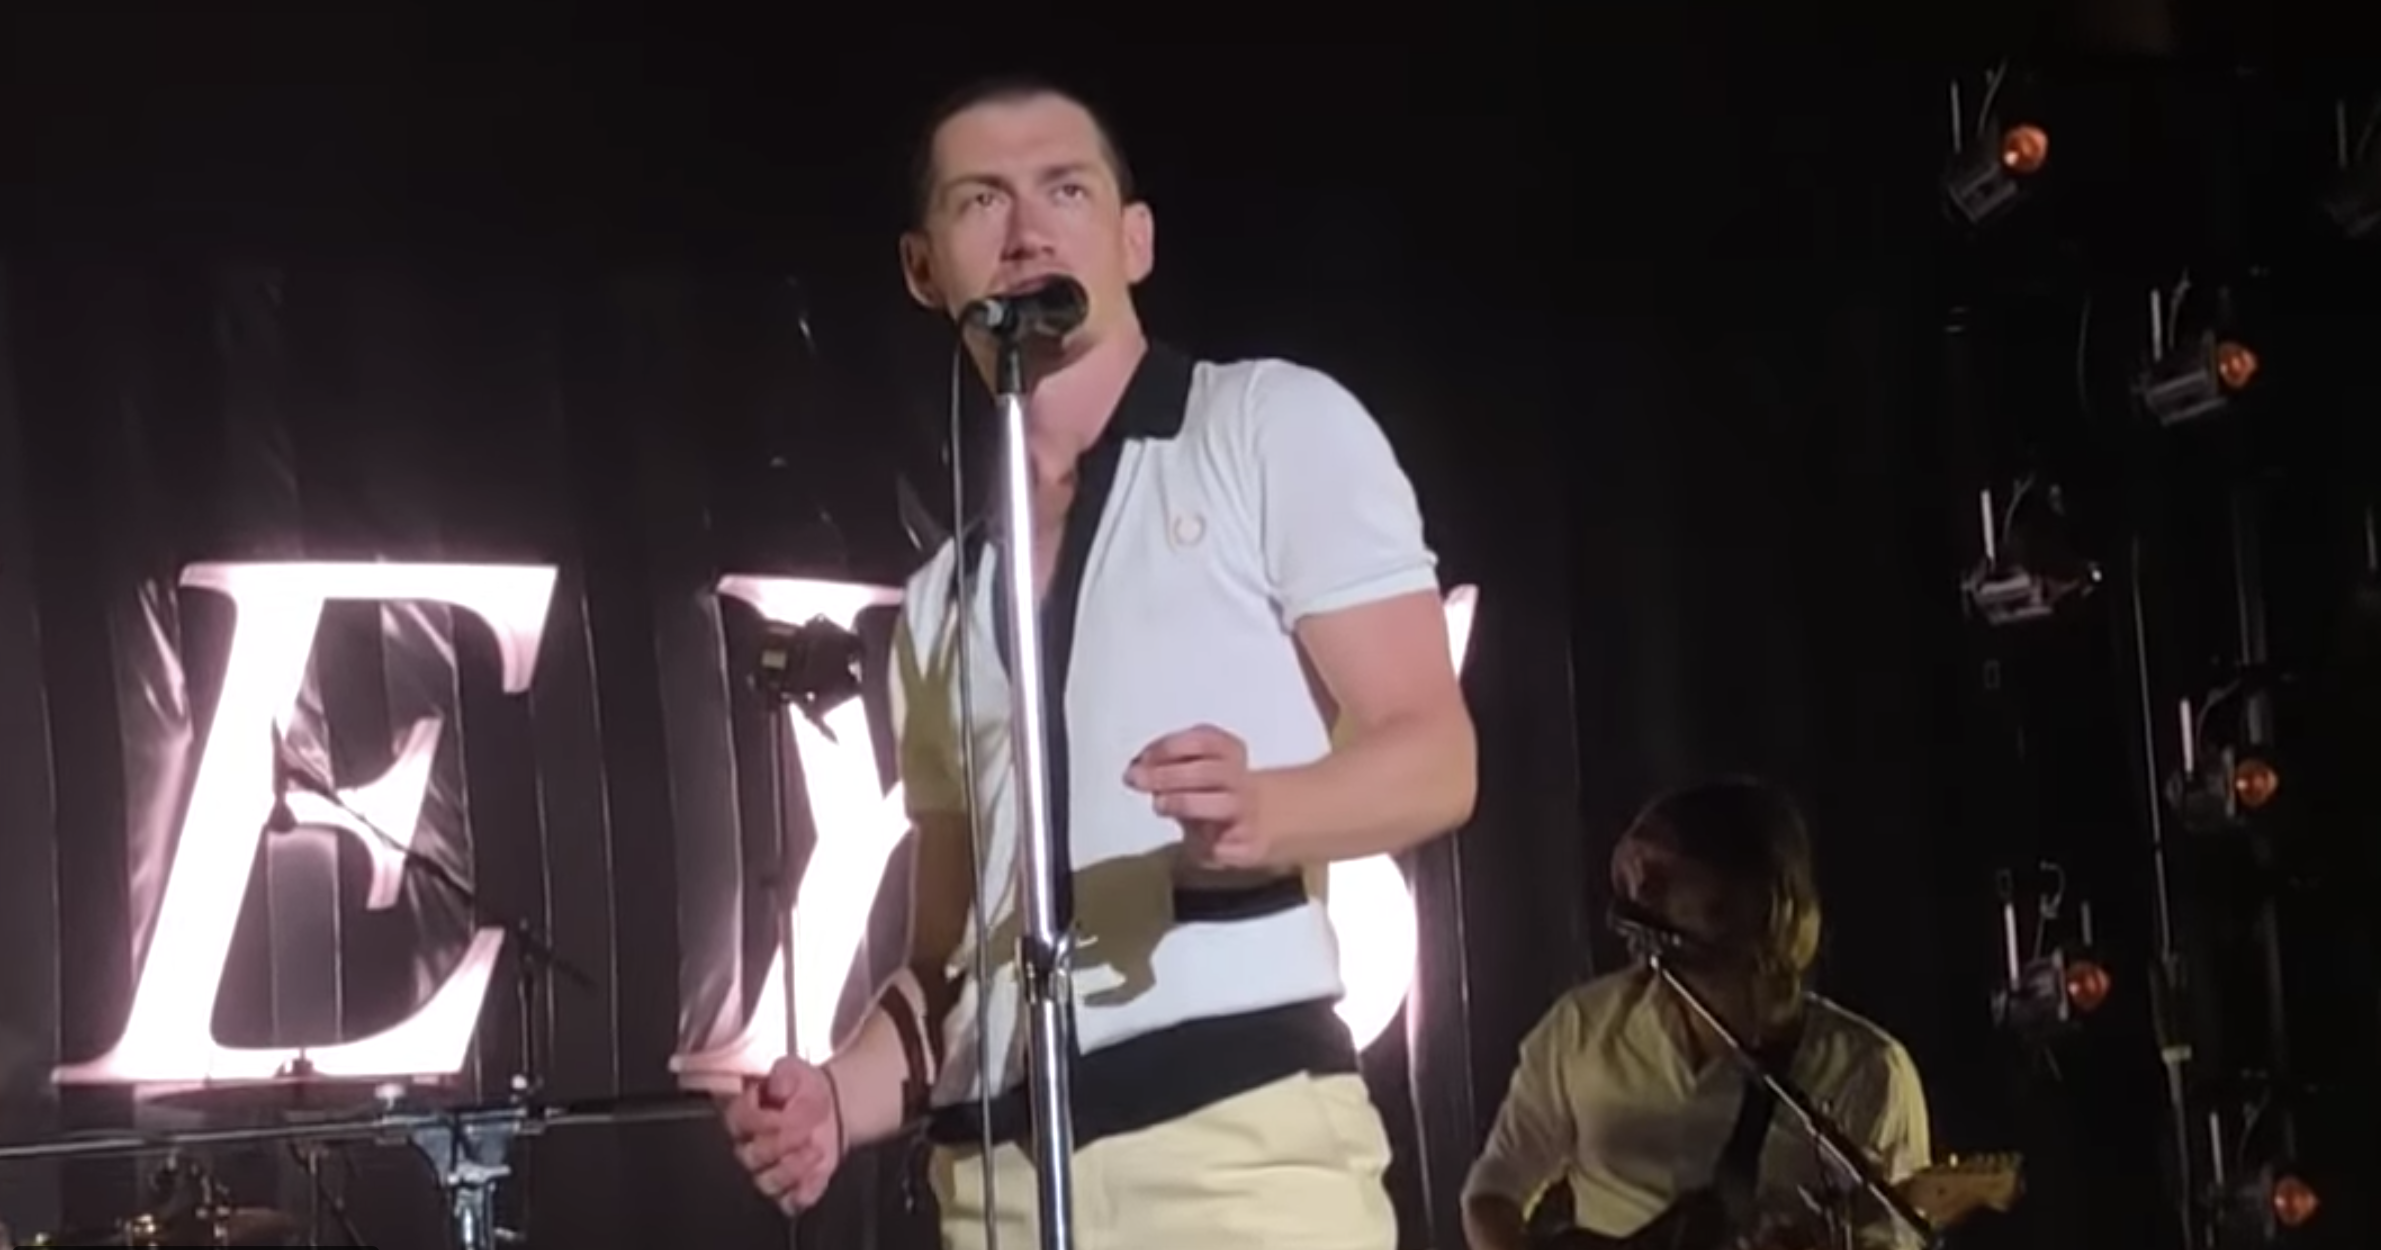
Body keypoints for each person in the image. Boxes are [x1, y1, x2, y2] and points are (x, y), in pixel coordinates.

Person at [722, 74, 1477, 1250]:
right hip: (995, 1188)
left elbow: (1434, 755)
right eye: (981, 199)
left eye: (1064, 189)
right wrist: (836, 1095)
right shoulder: (941, 598)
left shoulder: (1265, 424)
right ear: (922, 266)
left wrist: (1269, 808)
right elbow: (946, 960)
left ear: (1135, 237)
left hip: (1237, 1160)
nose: (1028, 230)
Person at [1462, 778, 1932, 1250]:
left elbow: (1892, 1236)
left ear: (1761, 903)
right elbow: (1493, 1191)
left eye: (1667, 875)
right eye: (1639, 877)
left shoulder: (1868, 1070)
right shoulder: (1582, 1026)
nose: (1642, 892)